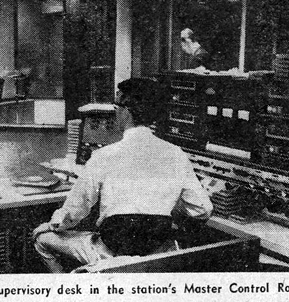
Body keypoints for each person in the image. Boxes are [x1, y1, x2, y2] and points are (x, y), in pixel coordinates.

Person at [32, 78, 213, 273]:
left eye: (116, 106)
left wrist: (52, 226)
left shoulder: (103, 156)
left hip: (110, 252)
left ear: (126, 111)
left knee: (41, 240)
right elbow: (202, 210)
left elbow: (75, 210)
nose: (115, 111)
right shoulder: (176, 154)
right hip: (157, 252)